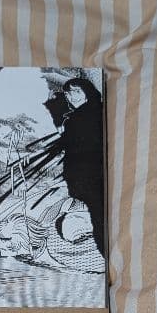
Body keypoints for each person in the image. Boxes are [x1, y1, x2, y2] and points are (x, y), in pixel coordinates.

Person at [57, 76, 105, 258]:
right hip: (87, 177)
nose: (71, 97)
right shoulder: (79, 116)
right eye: (68, 94)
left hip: (91, 176)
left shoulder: (85, 116)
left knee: (99, 219)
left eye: (76, 91)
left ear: (87, 92)